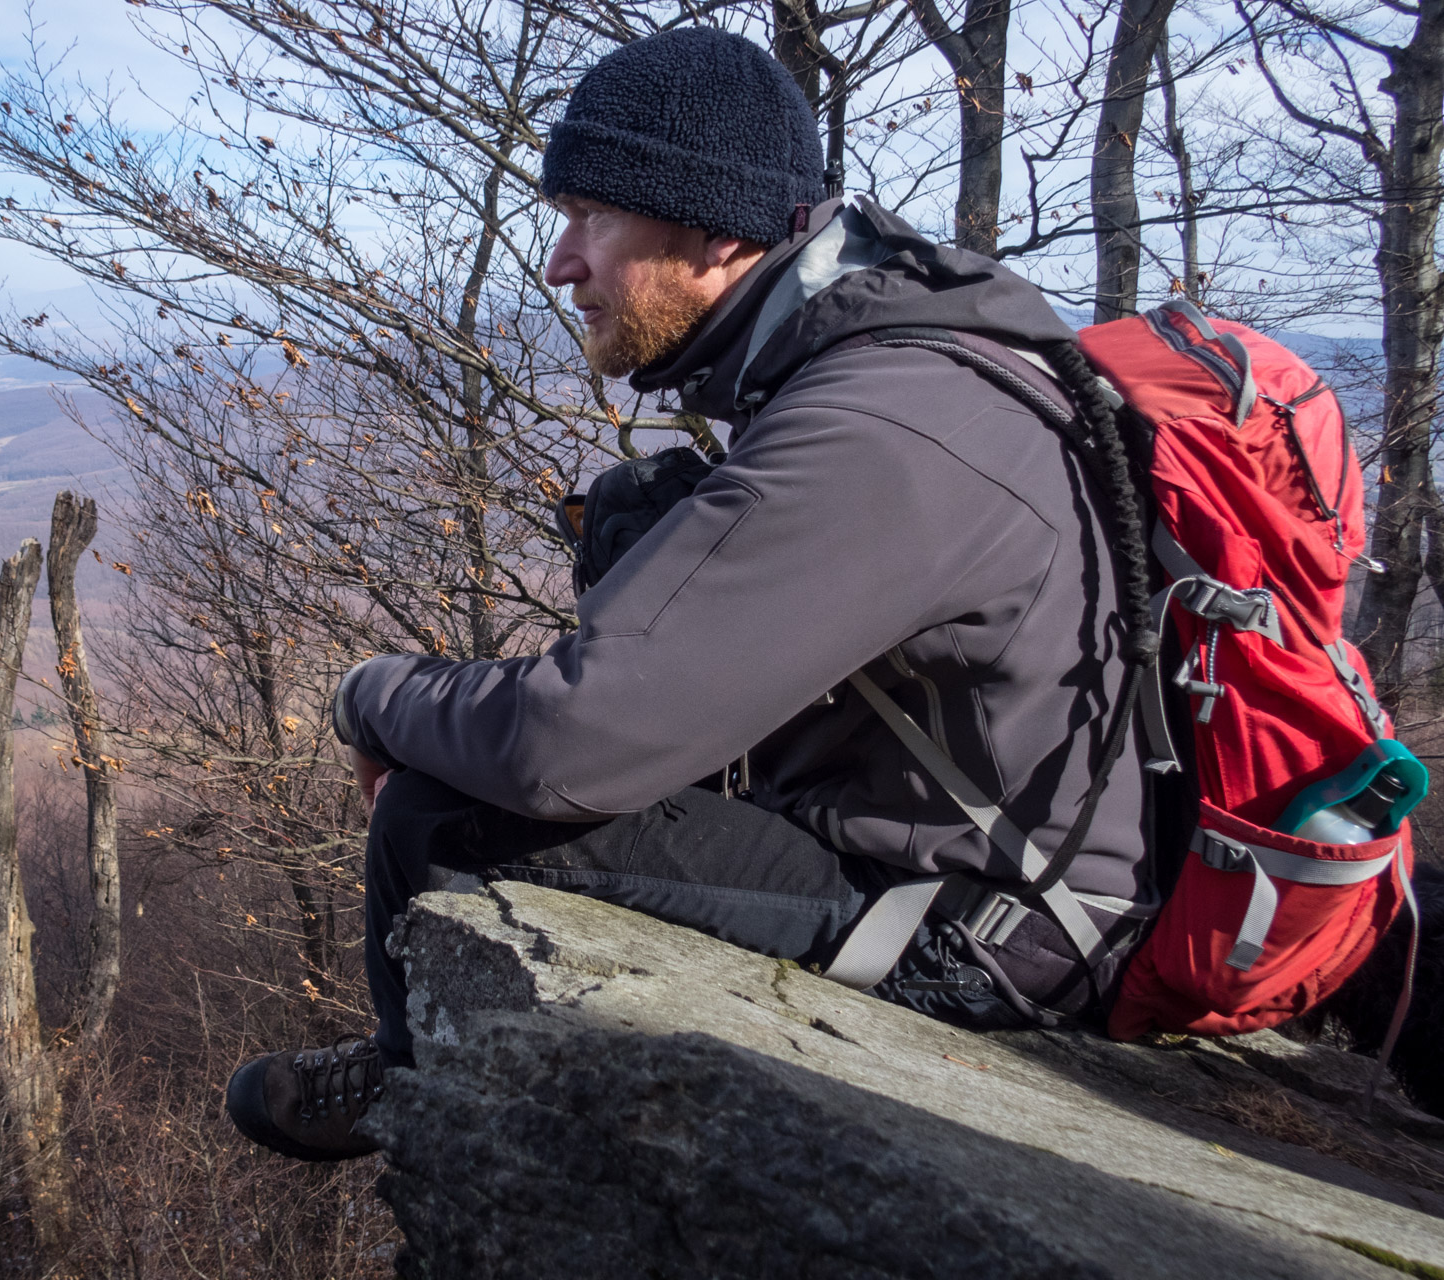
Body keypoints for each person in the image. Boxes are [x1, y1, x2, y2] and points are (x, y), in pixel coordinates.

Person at [224, 26, 1155, 1163]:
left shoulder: (878, 423)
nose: (560, 262)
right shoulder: (884, 357)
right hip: (936, 843)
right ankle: (432, 1041)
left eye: (592, 219)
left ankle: (425, 1087)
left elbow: (566, 739)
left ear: (716, 230)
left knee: (439, 810)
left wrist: (373, 693)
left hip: (985, 923)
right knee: (637, 513)